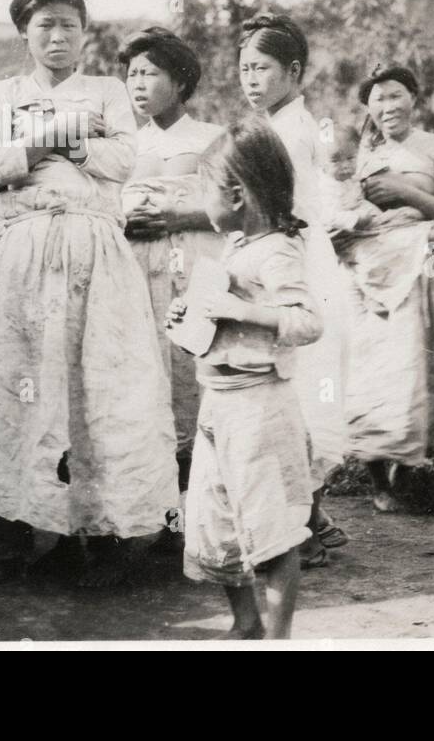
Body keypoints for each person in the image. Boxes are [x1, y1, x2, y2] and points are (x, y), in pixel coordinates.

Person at [0, 0, 178, 587]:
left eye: (69, 25)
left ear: (85, 33)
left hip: (94, 252)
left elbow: (121, 159)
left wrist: (43, 146)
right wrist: (61, 135)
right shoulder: (1, 92)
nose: (57, 36)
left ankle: (100, 539)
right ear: (24, 33)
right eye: (45, 24)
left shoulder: (108, 90)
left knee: (98, 391)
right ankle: (5, 543)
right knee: (12, 386)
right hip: (23, 251)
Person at [167, 119, 322, 640]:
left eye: (203, 188)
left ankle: (277, 639)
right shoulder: (233, 247)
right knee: (216, 519)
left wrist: (241, 308)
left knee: (271, 528)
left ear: (236, 194)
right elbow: (220, 329)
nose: (199, 200)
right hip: (219, 403)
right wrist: (190, 322)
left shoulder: (278, 250)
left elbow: (307, 321)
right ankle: (246, 622)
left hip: (260, 408)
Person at [236, 12, 349, 564]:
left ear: (294, 70)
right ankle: (310, 517)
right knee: (288, 391)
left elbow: (272, 206)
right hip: (287, 258)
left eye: (261, 68)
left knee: (300, 391)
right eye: (243, 69)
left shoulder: (292, 131)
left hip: (299, 264)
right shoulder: (273, 127)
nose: (250, 79)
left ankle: (304, 525)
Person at [335, 66, 434, 512]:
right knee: (370, 367)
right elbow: (338, 205)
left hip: (415, 261)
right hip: (365, 265)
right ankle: (379, 478)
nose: (387, 106)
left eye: (395, 95)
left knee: (413, 363)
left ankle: (410, 469)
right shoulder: (357, 153)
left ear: (413, 97)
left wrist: (404, 192)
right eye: (377, 99)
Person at [119, 26, 225, 497]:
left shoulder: (212, 138)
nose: (138, 83)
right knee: (142, 380)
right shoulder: (122, 144)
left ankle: (196, 509)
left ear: (181, 82)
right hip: (133, 272)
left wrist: (174, 217)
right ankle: (153, 506)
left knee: (190, 376)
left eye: (151, 73)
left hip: (194, 267)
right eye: (132, 73)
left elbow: (239, 210)